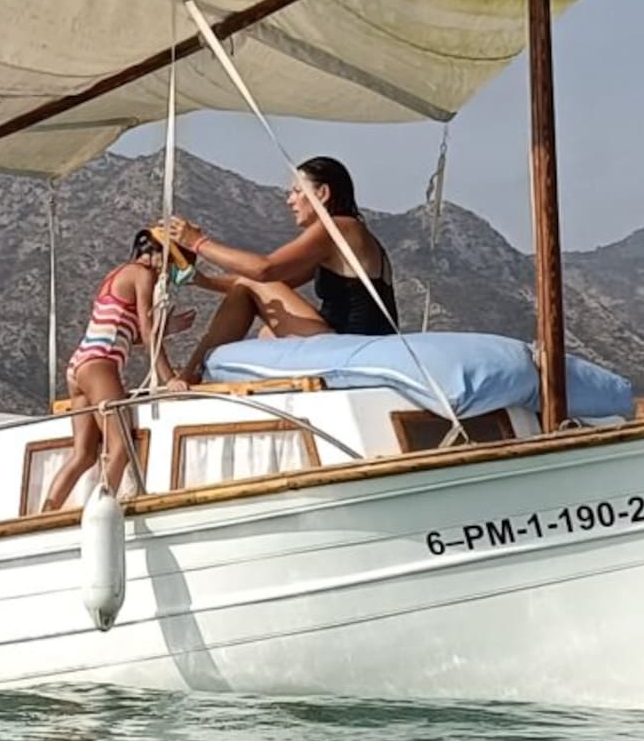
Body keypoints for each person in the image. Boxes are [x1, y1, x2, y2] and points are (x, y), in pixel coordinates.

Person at [165, 155, 399, 383]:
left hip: (351, 344)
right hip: (350, 341)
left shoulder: (338, 227)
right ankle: (196, 374)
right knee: (267, 332)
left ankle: (190, 375)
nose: (290, 200)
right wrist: (200, 279)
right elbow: (266, 283)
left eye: (297, 191)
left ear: (322, 194)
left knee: (256, 295)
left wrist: (197, 243)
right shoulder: (347, 234)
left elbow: (264, 271)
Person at [40, 229, 191, 512]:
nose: (167, 274)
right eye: (170, 265)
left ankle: (45, 516)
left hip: (80, 365)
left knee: (83, 455)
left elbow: (125, 330)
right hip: (101, 363)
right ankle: (98, 519)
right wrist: (170, 378)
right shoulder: (141, 274)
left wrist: (166, 329)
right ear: (159, 256)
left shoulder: (117, 274)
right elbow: (147, 334)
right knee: (120, 449)